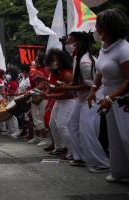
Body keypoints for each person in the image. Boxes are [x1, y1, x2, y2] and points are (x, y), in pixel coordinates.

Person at [87, 9, 129, 182]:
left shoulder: (124, 49)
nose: (96, 30)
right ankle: (120, 171)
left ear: (109, 28)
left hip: (123, 99)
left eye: (99, 27)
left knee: (126, 136)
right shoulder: (105, 48)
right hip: (108, 98)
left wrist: (111, 98)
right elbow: (100, 71)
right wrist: (93, 90)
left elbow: (128, 80)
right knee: (115, 137)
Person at [60, 32, 110, 171]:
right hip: (82, 97)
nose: (67, 45)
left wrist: (68, 87)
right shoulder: (77, 58)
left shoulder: (85, 61)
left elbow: (90, 85)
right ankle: (81, 157)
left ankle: (100, 163)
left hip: (92, 97)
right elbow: (79, 82)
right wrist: (66, 86)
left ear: (78, 43)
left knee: (87, 130)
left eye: (69, 42)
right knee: (71, 124)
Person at [42, 49, 75, 157]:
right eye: (52, 60)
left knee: (62, 125)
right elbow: (53, 88)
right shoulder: (56, 73)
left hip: (68, 101)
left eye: (57, 60)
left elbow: (69, 93)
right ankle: (59, 147)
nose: (54, 62)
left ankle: (72, 151)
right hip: (59, 101)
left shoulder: (66, 73)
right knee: (52, 124)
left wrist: (50, 95)